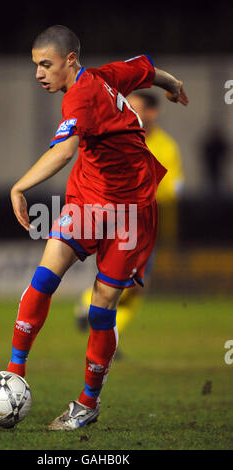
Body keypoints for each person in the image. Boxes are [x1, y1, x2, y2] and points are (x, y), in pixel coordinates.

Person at [6, 25, 189, 431]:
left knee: (100, 309)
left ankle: (87, 403)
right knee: (43, 278)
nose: (39, 73)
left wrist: (20, 186)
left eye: (45, 64)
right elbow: (147, 69)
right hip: (88, 199)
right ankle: (13, 374)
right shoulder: (105, 76)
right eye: (35, 65)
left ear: (70, 61)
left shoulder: (81, 96)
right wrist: (173, 84)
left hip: (130, 212)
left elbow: (65, 150)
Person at [75, 92, 185, 344]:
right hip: (120, 217)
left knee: (135, 287)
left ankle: (106, 331)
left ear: (151, 113)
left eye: (133, 108)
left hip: (147, 221)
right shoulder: (118, 137)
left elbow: (172, 187)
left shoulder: (166, 146)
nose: (126, 112)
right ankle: (90, 306)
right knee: (128, 280)